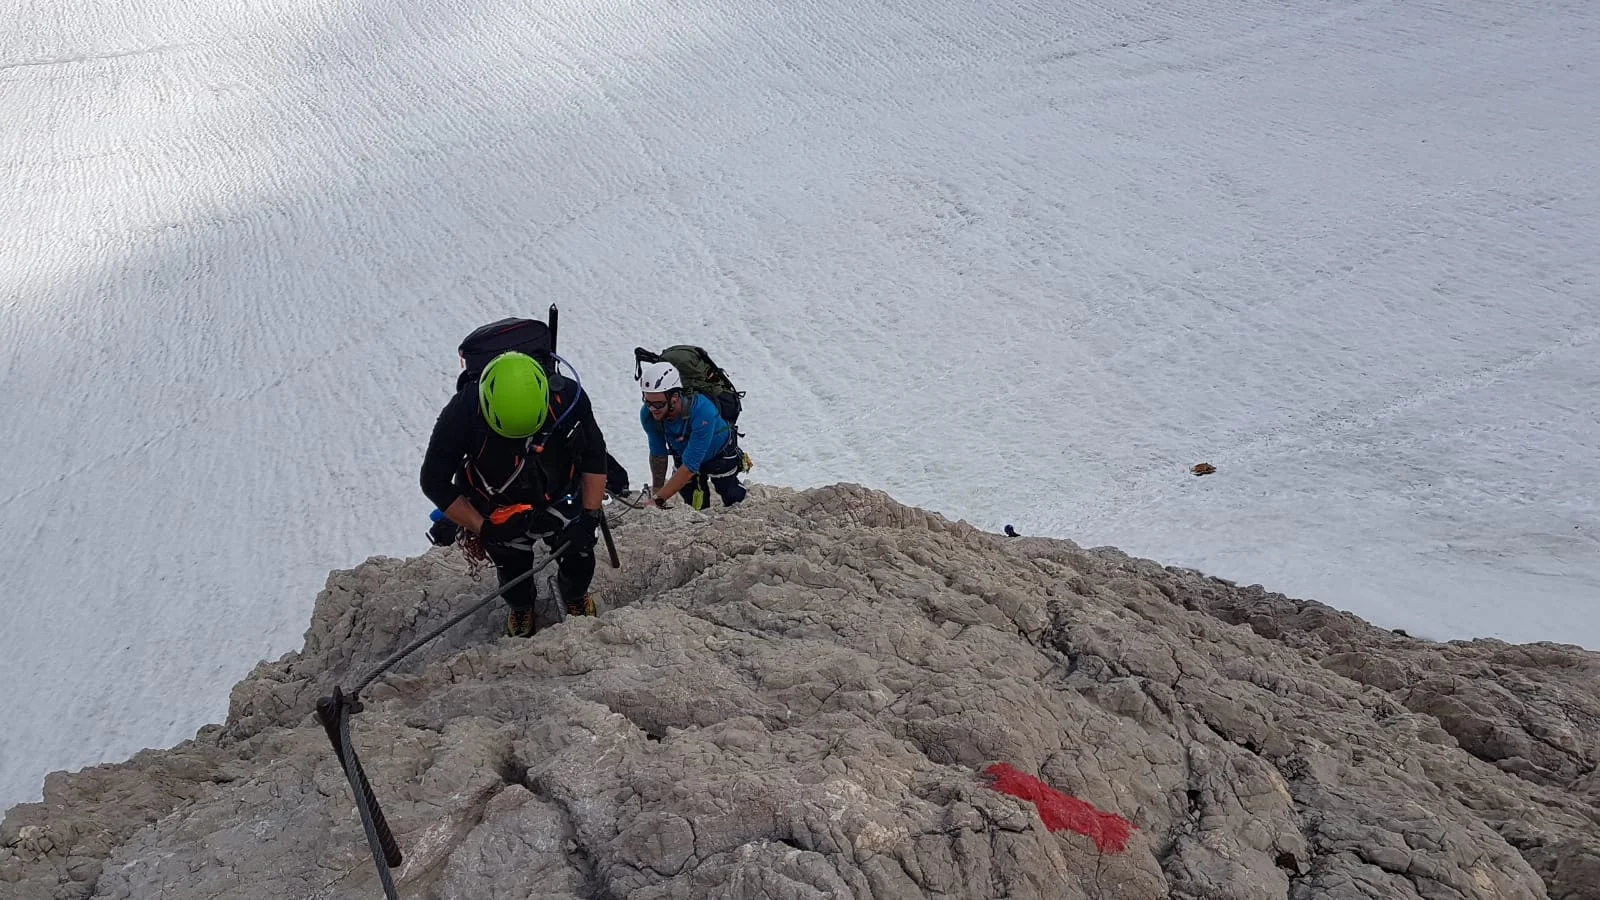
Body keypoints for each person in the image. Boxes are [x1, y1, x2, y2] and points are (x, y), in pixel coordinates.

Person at [421, 351, 607, 637]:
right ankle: (521, 606)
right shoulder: (461, 414)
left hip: (559, 492)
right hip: (500, 503)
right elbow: (434, 481)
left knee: (579, 556)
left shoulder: (568, 398)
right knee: (512, 568)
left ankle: (575, 595)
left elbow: (594, 456)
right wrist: (484, 528)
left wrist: (590, 518)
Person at [639, 361, 747, 509]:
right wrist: (657, 492)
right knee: (694, 500)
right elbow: (658, 454)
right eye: (647, 402)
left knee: (730, 494)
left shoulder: (703, 411)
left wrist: (658, 500)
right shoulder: (648, 415)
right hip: (683, 453)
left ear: (675, 397)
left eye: (658, 404)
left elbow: (690, 467)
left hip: (719, 454)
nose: (652, 409)